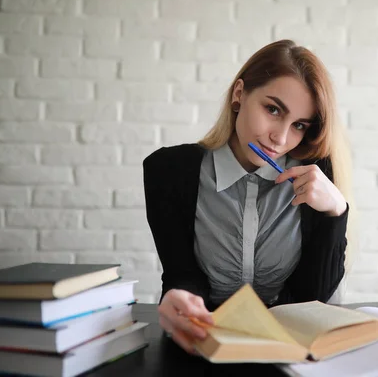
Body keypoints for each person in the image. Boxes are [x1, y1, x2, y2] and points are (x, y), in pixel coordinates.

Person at [143, 39, 357, 355]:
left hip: (292, 352)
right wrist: (178, 297)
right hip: (203, 347)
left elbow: (313, 298)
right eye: (272, 109)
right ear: (239, 94)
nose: (281, 138)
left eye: (299, 125)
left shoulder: (317, 176)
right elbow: (182, 274)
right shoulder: (170, 172)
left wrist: (336, 211)